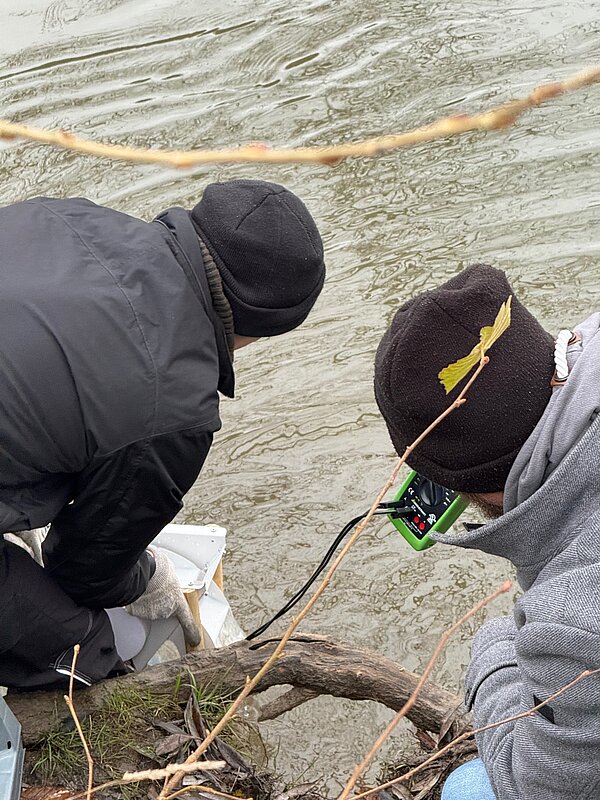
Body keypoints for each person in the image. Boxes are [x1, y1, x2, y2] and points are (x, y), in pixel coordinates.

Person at [0, 179, 325, 690]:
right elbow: (81, 572)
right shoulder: (176, 406)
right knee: (83, 647)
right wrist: (145, 577)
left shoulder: (66, 215)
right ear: (264, 326)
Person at [374, 264, 600, 800]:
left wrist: (496, 650)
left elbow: (538, 785)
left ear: (471, 489)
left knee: (467, 787)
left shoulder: (570, 619)